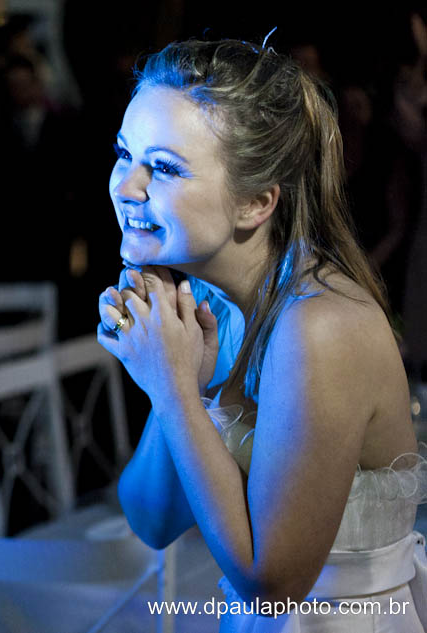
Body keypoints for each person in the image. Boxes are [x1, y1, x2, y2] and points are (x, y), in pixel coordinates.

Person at [97, 38, 426, 631]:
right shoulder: (214, 304)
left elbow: (272, 585)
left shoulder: (320, 326)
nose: (126, 185)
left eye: (164, 167)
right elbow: (151, 520)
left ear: (255, 203)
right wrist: (181, 384)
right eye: (125, 153)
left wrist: (171, 388)